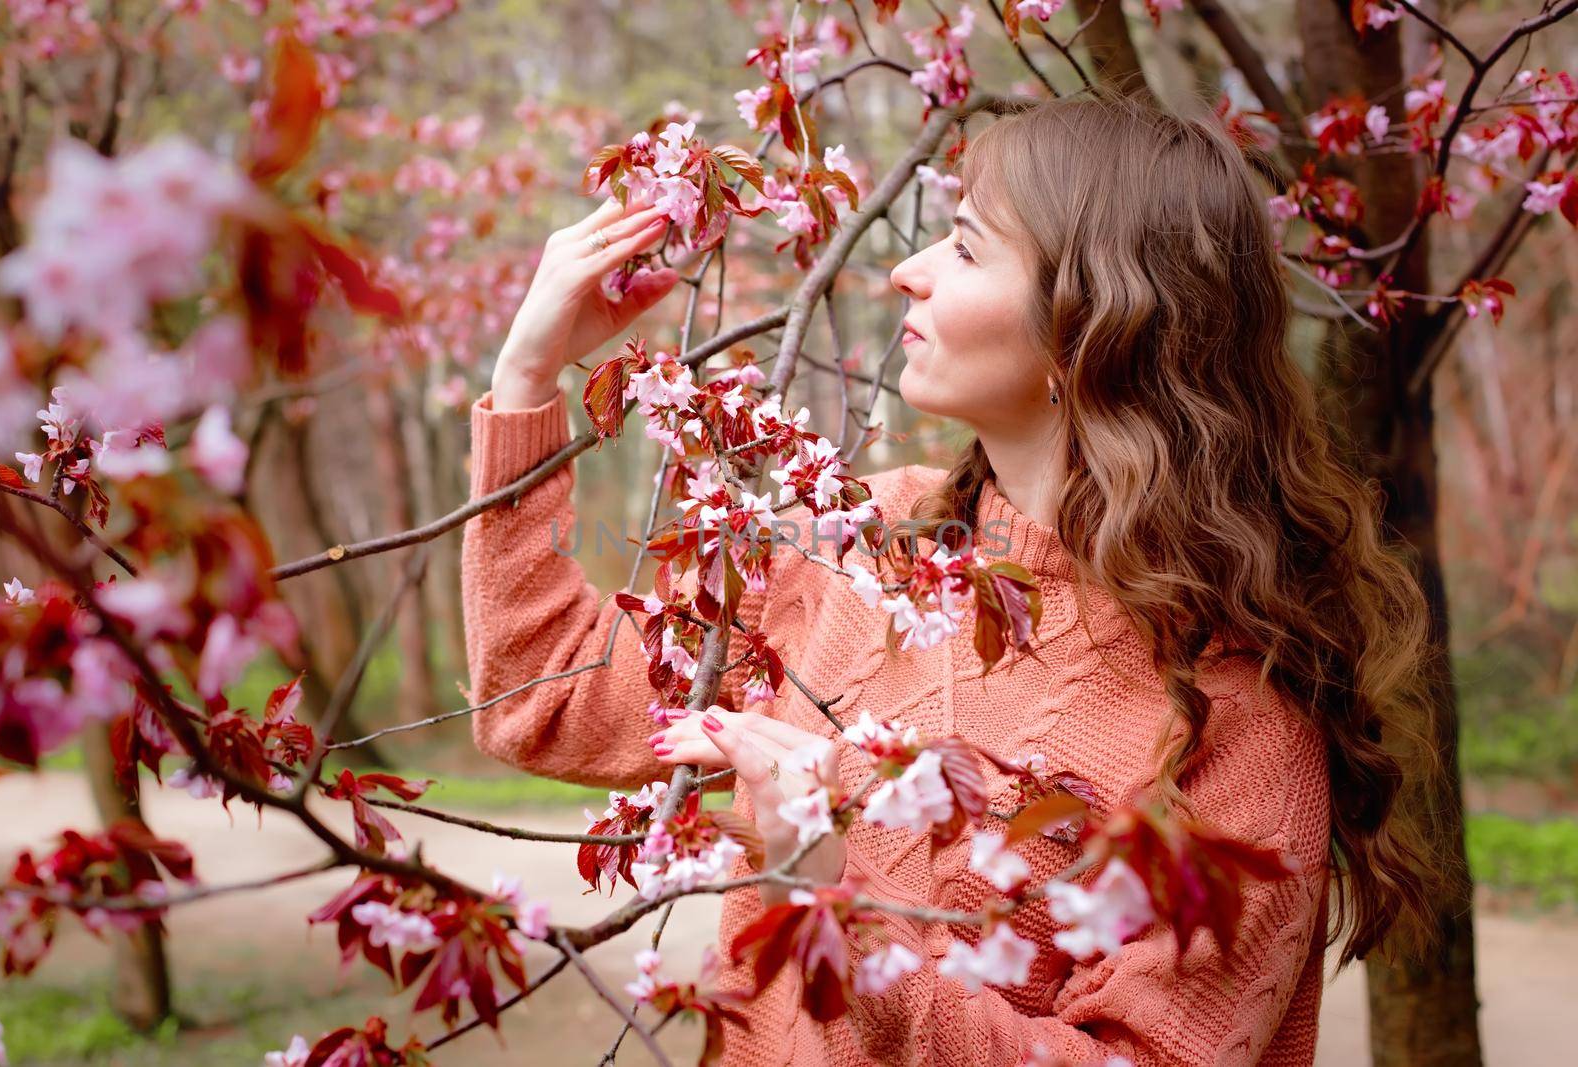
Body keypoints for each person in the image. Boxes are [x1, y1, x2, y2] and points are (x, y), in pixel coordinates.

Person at [461, 92, 1441, 1066]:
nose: (903, 271)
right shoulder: (856, 541)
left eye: (966, 248)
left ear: (1085, 329)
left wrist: (830, 890)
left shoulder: (1233, 714)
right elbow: (539, 694)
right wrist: (528, 377)